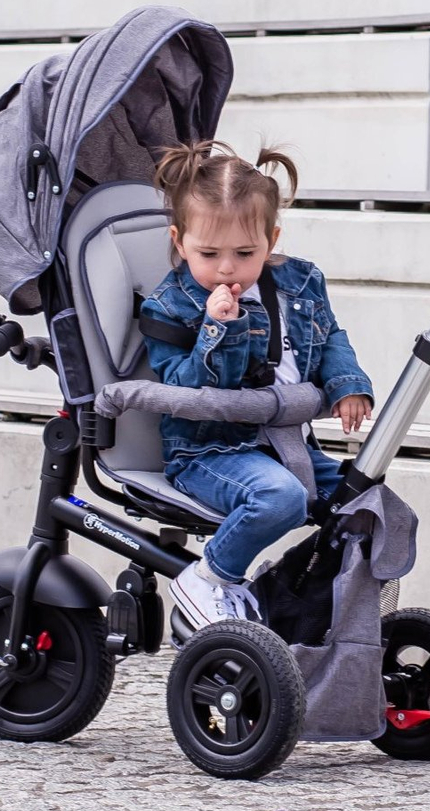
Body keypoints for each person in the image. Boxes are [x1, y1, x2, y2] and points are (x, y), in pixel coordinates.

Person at [140, 139, 374, 632]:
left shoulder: (300, 283)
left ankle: (303, 601)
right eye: (209, 253)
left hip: (285, 444)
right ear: (180, 242)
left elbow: (329, 336)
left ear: (271, 240)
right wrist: (216, 332)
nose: (227, 268)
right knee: (281, 499)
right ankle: (208, 578)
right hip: (210, 452)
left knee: (366, 503)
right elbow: (188, 390)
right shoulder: (170, 306)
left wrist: (347, 385)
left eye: (245, 252)